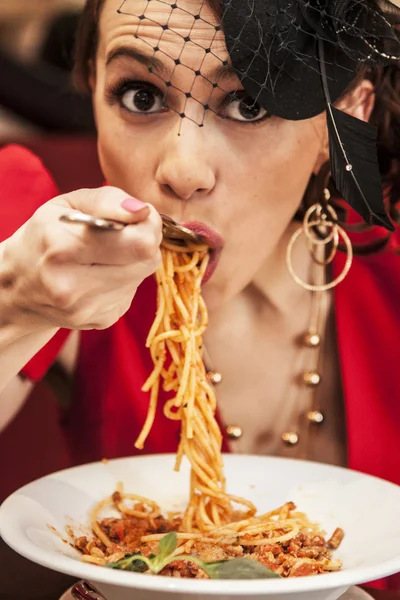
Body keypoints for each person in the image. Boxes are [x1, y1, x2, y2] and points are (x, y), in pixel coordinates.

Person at [0, 0, 400, 490]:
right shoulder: (46, 240)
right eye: (140, 96)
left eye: (250, 102)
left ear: (344, 118)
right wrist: (10, 304)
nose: (182, 170)